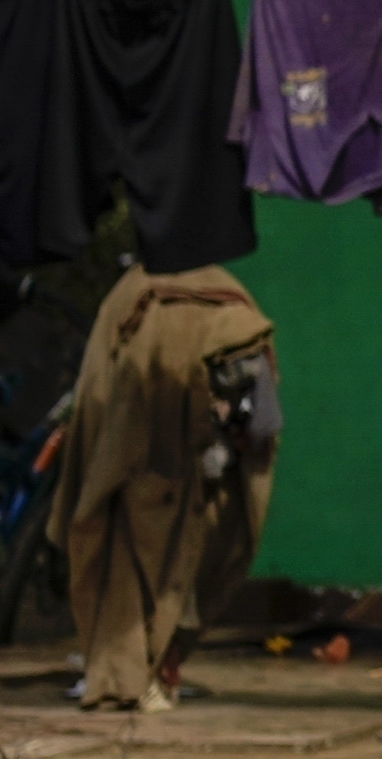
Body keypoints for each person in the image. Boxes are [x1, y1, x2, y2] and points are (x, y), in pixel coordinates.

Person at [57, 257, 273, 708]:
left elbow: (99, 403)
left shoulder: (131, 298)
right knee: (178, 559)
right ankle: (145, 668)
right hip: (188, 462)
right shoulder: (230, 298)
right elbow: (265, 420)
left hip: (152, 458)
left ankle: (135, 670)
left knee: (129, 549)